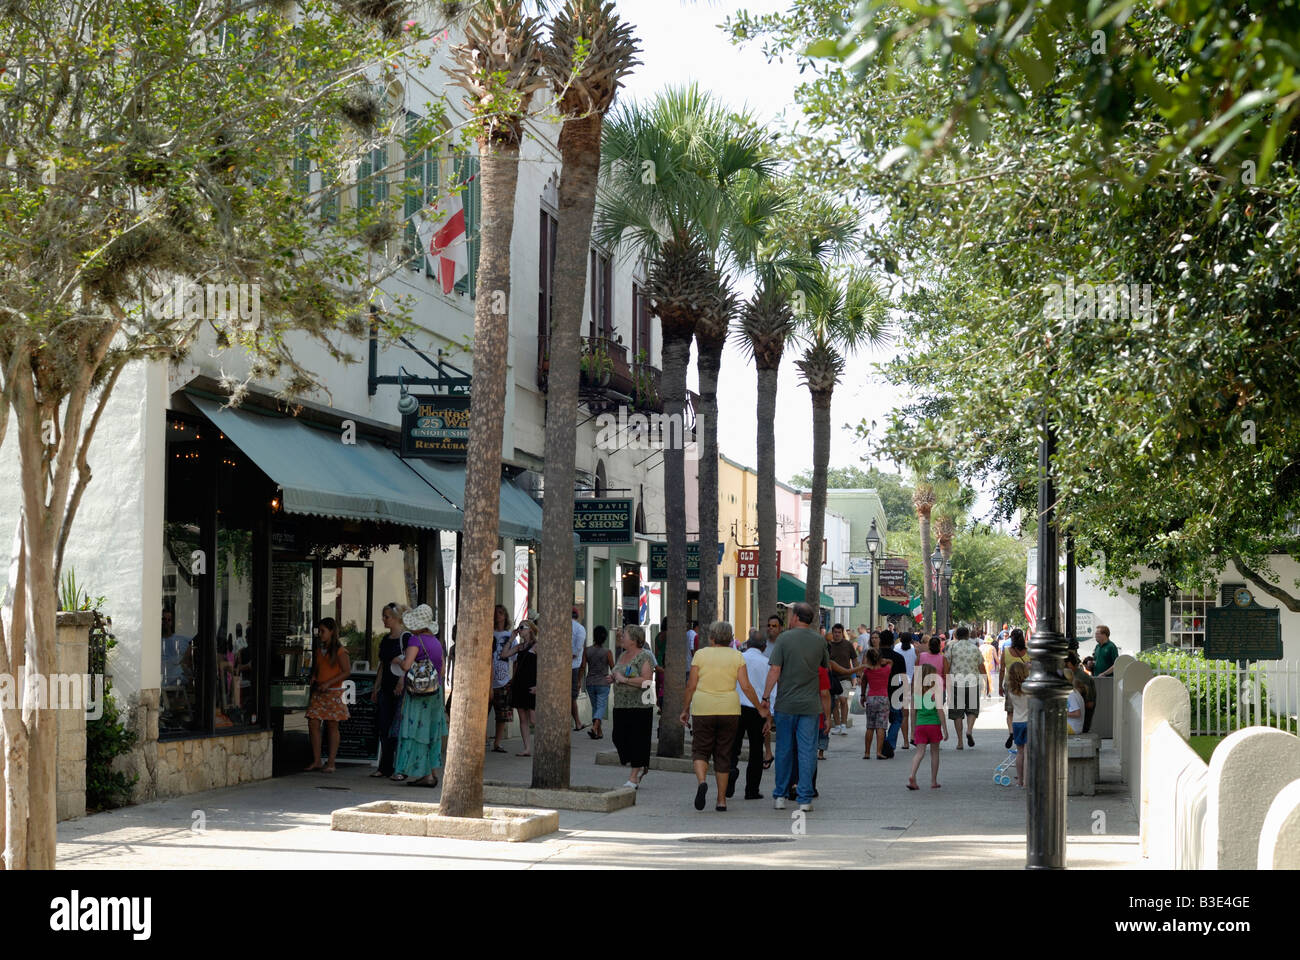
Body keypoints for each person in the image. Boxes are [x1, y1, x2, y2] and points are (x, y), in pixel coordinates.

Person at [681, 621, 764, 812]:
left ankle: (702, 782)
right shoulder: (737, 656)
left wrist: (685, 709)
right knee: (724, 753)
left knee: (701, 750)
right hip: (729, 709)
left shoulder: (701, 655)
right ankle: (721, 800)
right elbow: (746, 686)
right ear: (730, 638)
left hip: (703, 708)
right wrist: (759, 708)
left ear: (711, 637)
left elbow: (691, 685)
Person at [760, 601, 829, 813]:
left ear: (797, 617)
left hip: (786, 704)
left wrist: (765, 696)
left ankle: (780, 795)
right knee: (807, 751)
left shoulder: (784, 639)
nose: (789, 618)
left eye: (791, 615)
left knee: (784, 750)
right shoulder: (819, 641)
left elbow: (775, 670)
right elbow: (824, 667)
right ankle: (805, 798)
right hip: (810, 705)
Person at [391, 604, 447, 787]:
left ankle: (424, 774)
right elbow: (443, 669)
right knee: (431, 732)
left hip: (419, 695)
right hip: (435, 692)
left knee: (417, 732)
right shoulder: (436, 642)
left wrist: (397, 660)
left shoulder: (415, 640)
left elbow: (407, 665)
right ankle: (430, 774)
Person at [730, 628, 772, 800]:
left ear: (747, 644)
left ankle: (731, 770)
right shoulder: (767, 663)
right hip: (757, 709)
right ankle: (751, 789)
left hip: (735, 707)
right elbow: (772, 693)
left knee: (733, 747)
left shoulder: (738, 659)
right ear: (763, 647)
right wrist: (769, 716)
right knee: (756, 750)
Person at [305, 617, 350, 773]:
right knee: (313, 722)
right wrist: (315, 677)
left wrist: (329, 683)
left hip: (333, 692)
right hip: (320, 692)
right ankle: (317, 760)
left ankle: (331, 762)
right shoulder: (319, 650)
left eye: (323, 631)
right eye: (319, 631)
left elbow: (346, 671)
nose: (320, 634)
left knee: (332, 725)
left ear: (331, 632)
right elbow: (319, 669)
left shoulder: (340, 650)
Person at [612, 624, 655, 789]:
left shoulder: (645, 656)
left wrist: (625, 680)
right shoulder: (622, 655)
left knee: (637, 741)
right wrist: (613, 678)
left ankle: (634, 776)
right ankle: (639, 763)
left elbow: (646, 681)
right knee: (618, 737)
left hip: (640, 706)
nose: (621, 637)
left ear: (634, 639)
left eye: (625, 635)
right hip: (621, 704)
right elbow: (619, 673)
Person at [370, 603, 408, 777]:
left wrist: (402, 680)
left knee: (397, 728)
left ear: (397, 618)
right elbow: (382, 665)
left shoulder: (406, 638)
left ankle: (399, 766)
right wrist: (376, 687)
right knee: (384, 726)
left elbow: (410, 662)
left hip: (401, 687)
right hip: (385, 686)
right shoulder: (385, 640)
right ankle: (384, 766)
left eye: (387, 617)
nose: (384, 620)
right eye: (383, 617)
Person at [906, 661, 948, 790]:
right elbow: (940, 711)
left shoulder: (916, 692)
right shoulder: (936, 692)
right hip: (933, 725)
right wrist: (945, 729)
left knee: (919, 752)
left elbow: (912, 712)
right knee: (934, 753)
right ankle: (933, 781)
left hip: (920, 725)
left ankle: (912, 775)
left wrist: (912, 730)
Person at [500, 619, 538, 757]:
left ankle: (543, 745)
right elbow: (503, 654)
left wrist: (539, 686)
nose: (520, 629)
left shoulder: (537, 646)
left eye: (522, 627)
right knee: (523, 718)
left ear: (530, 630)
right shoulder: (520, 647)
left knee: (534, 719)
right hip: (520, 685)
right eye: (519, 627)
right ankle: (527, 748)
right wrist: (511, 638)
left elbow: (545, 667)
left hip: (532, 685)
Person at [945, 626, 986, 749]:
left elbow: (947, 665)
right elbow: (981, 666)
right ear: (968, 636)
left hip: (957, 683)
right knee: (972, 710)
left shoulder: (951, 647)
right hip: (973, 682)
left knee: (957, 713)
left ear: (956, 635)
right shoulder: (975, 648)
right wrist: (986, 680)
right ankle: (969, 730)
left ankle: (960, 741)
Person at [488, 605, 513, 754]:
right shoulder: (489, 633)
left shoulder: (509, 636)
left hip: (503, 680)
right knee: (483, 712)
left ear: (505, 616)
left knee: (502, 715)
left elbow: (514, 658)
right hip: (487, 680)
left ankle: (497, 743)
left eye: (500, 613)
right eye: (495, 613)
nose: (497, 615)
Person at [826, 623, 859, 735]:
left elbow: (854, 660)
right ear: (832, 632)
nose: (837, 634)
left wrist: (858, 674)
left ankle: (844, 725)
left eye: (839, 632)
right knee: (834, 702)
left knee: (843, 700)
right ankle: (838, 725)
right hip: (833, 678)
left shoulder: (848, 645)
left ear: (842, 633)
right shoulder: (828, 645)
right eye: (835, 632)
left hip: (845, 677)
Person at [1000, 630, 1030, 749]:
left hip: (1010, 684)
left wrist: (999, 686)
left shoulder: (1006, 651)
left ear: (1012, 638)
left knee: (1010, 711)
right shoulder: (1028, 651)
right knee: (1024, 709)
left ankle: (1012, 732)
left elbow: (1002, 669)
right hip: (1026, 684)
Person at [859, 648, 892, 759]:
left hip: (871, 698)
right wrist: (884, 660)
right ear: (879, 658)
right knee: (881, 727)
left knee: (870, 727)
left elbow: (863, 683)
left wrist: (862, 696)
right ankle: (878, 752)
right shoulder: (886, 669)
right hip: (883, 698)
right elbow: (891, 662)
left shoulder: (867, 671)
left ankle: (867, 752)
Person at [879, 630, 906, 757]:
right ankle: (890, 743)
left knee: (881, 721)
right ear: (892, 642)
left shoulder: (875, 656)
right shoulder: (899, 657)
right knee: (897, 719)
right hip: (895, 691)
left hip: (879, 691)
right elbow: (904, 677)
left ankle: (882, 744)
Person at [584, 625, 614, 739]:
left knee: (595, 707)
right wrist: (614, 679)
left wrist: (578, 681)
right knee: (600, 707)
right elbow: (613, 667)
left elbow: (582, 667)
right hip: (603, 682)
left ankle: (599, 732)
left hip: (590, 682)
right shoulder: (607, 652)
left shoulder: (587, 650)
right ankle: (595, 727)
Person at [1006, 661, 1030, 787]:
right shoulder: (1029, 687)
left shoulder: (1011, 689)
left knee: (1019, 753)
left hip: (1017, 722)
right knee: (1027, 753)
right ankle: (1026, 781)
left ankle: (1020, 780)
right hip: (1029, 721)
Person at [896, 631, 917, 749]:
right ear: (911, 640)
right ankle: (914, 736)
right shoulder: (914, 649)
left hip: (899, 682)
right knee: (915, 712)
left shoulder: (896, 648)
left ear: (900, 639)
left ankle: (905, 742)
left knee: (904, 714)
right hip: (913, 682)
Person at [1067, 651, 1097, 732]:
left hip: (1079, 724)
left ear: (1069, 664)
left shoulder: (1082, 677)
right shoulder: (1073, 676)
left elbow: (1090, 704)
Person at [571, 607, 588, 732]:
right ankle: (577, 722)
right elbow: (577, 651)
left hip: (567, 666)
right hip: (573, 667)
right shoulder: (580, 629)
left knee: (570, 697)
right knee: (572, 697)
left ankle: (577, 722)